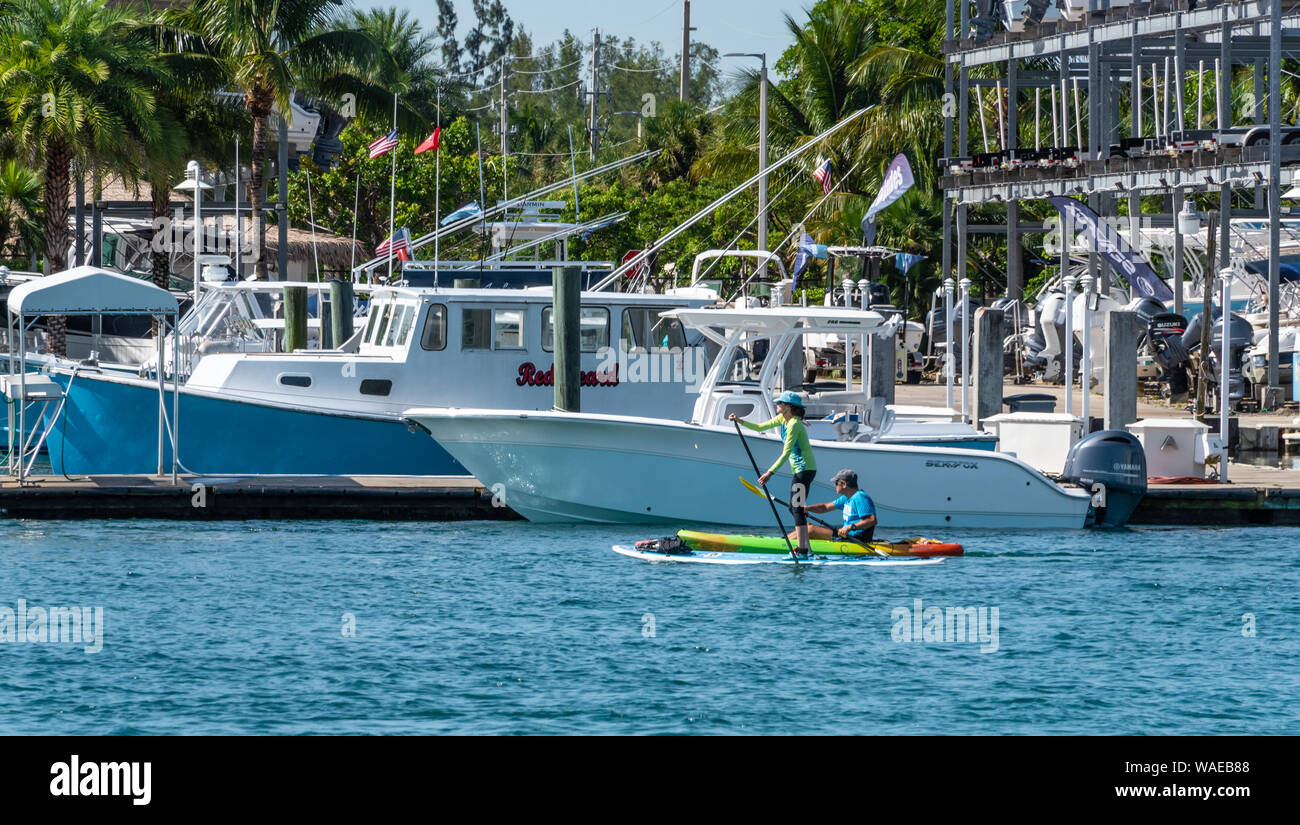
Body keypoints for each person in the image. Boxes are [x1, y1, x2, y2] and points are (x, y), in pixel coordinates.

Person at [729, 391, 817, 556]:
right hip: (799, 470)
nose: (776, 405)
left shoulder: (795, 425)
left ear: (788, 407)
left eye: (779, 403)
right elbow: (760, 427)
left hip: (805, 470)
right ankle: (807, 547)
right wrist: (739, 421)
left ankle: (804, 549)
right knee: (795, 508)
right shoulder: (783, 420)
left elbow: (786, 453)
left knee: (796, 508)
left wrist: (770, 473)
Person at [805, 469, 877, 544]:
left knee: (810, 529)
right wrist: (806, 508)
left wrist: (849, 527)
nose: (834, 485)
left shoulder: (860, 497)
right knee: (808, 526)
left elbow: (872, 520)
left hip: (856, 539)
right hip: (844, 535)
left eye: (836, 483)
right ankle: (793, 543)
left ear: (844, 484)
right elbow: (825, 507)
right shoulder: (846, 498)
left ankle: (795, 546)